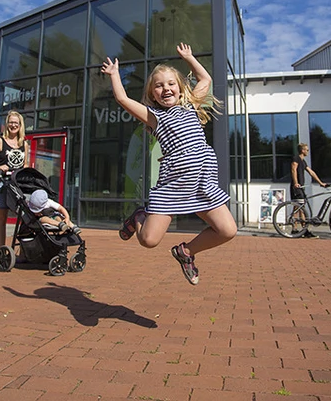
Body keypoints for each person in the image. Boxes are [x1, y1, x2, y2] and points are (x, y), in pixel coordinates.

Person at [101, 42, 238, 285]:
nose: (166, 89)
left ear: (180, 87)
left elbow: (204, 77)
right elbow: (122, 99)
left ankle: (186, 252)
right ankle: (139, 216)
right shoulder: (156, 117)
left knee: (228, 230)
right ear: (152, 93)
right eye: (159, 86)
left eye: (171, 84)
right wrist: (114, 75)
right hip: (174, 184)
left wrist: (189, 58)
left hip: (201, 183)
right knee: (148, 240)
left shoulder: (191, 105)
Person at [0, 111, 30, 254]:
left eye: (16, 122)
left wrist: (26, 170)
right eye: (11, 122)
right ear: (6, 124)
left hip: (17, 184)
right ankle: (2, 251)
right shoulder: (0, 142)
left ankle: (24, 249)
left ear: (20, 125)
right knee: (1, 217)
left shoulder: (24, 144)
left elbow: (26, 163)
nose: (13, 125)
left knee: (26, 216)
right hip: (1, 184)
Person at [290, 143, 328, 238]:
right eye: (306, 150)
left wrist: (320, 182)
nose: (307, 151)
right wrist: (295, 183)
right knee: (299, 208)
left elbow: (311, 172)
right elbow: (293, 170)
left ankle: (298, 230)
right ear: (302, 150)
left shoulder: (303, 162)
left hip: (300, 187)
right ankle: (301, 230)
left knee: (299, 208)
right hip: (297, 187)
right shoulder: (296, 158)